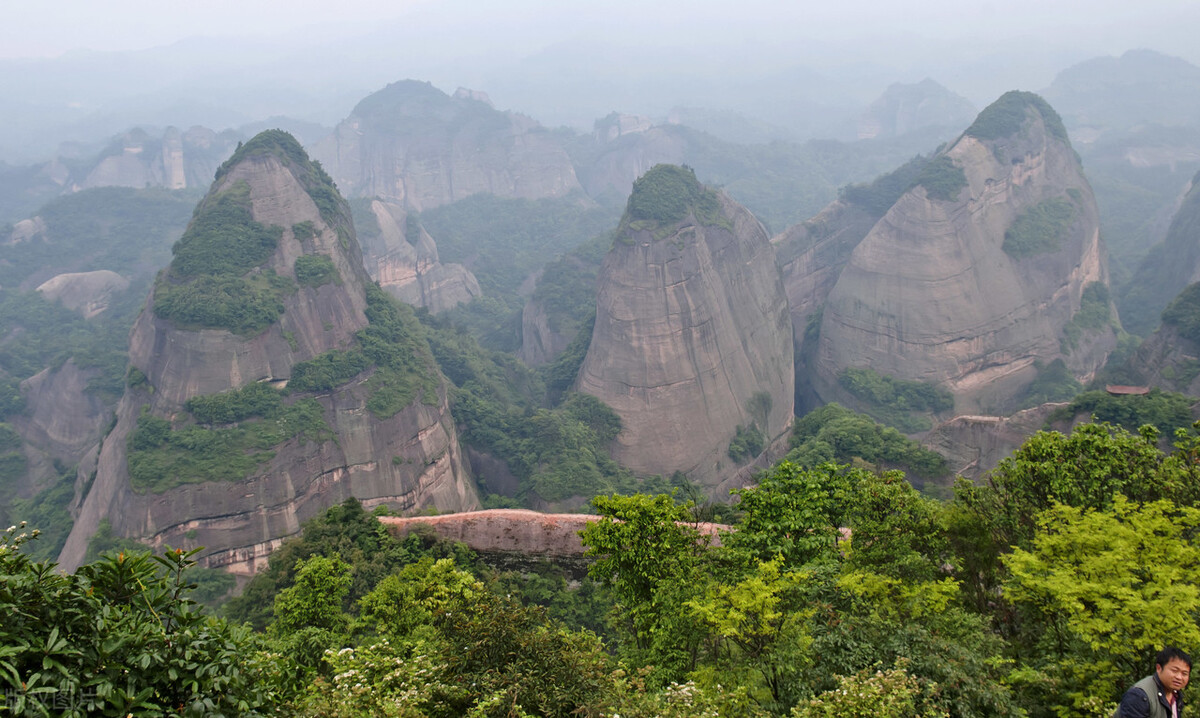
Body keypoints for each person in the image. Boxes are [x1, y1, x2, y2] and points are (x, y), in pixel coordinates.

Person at [1117, 647, 1192, 718]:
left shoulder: (1175, 695)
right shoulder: (1139, 695)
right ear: (1159, 668)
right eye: (1174, 671)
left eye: (1184, 673)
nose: (1179, 677)